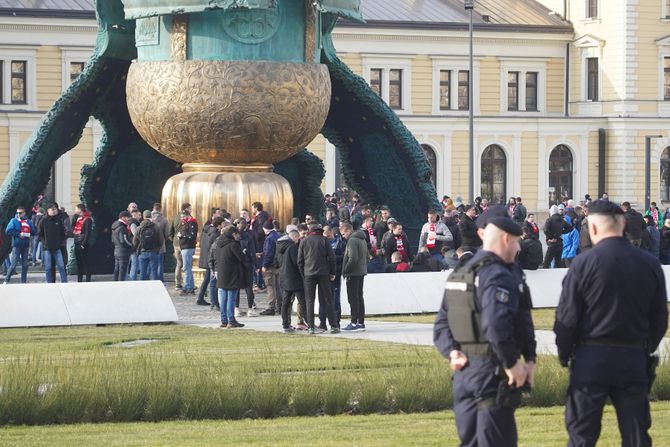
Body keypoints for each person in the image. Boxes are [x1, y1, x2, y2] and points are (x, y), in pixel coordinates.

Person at [554, 200, 668, 447]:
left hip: (590, 357)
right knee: (636, 434)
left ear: (592, 229)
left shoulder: (583, 264)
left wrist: (566, 355)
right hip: (633, 357)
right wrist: (645, 347)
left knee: (582, 435)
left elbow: (566, 318)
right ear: (624, 224)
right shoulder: (649, 264)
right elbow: (660, 318)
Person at [434, 205, 536, 447]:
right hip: (492, 371)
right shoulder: (498, 274)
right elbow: (496, 325)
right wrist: (513, 363)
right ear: (505, 239)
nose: (519, 248)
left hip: (464, 374)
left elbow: (441, 325)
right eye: (516, 242)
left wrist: (452, 351)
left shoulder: (462, 273)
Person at [298, 223, 338, 334]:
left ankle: (311, 327)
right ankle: (333, 325)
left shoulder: (304, 241)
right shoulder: (324, 240)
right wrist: (332, 272)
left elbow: (299, 261)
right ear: (320, 231)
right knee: (327, 299)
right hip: (324, 273)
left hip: (309, 274)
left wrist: (304, 273)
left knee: (309, 301)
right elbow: (332, 257)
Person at [211, 225, 248, 329]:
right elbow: (241, 258)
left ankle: (224, 320)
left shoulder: (218, 244)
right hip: (232, 274)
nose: (238, 237)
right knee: (231, 299)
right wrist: (243, 253)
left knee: (222, 299)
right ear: (233, 234)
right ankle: (231, 320)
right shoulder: (233, 245)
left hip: (221, 273)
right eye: (237, 234)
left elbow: (214, 258)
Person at [276, 229, 307, 332]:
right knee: (303, 301)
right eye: (298, 238)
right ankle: (309, 323)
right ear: (295, 237)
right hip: (295, 278)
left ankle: (285, 324)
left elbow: (276, 262)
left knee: (285, 302)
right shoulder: (293, 247)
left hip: (284, 277)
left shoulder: (279, 246)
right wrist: (303, 274)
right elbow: (297, 263)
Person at [341, 223, 368, 332]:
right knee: (359, 297)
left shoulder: (352, 240)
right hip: (361, 271)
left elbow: (353, 258)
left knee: (352, 298)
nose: (343, 236)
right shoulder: (362, 239)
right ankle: (360, 322)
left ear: (348, 231)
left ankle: (353, 322)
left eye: (343, 234)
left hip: (353, 273)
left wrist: (346, 270)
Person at [3, 207, 35, 284]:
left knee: (25, 265)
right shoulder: (14, 221)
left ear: (24, 213)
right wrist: (18, 234)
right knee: (13, 264)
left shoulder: (28, 222)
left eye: (20, 213)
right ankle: (6, 280)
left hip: (25, 245)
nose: (18, 214)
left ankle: (23, 281)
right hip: (16, 245)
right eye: (17, 213)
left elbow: (34, 232)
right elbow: (8, 231)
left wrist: (28, 232)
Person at [39, 204, 68, 283]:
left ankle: (64, 282)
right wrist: (45, 243)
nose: (54, 210)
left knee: (61, 266)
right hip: (47, 248)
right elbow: (40, 234)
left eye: (55, 209)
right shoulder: (43, 220)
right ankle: (49, 283)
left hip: (57, 248)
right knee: (48, 267)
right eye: (52, 209)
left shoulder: (58, 220)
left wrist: (59, 242)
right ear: (48, 211)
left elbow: (63, 233)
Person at [196, 214, 220, 306]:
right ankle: (214, 302)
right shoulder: (214, 232)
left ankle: (201, 297)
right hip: (211, 259)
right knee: (212, 280)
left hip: (206, 257)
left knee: (207, 279)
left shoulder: (206, 230)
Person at [133, 210, 164, 281]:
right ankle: (154, 289)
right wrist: (157, 249)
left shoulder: (139, 228)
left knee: (142, 273)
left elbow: (135, 241)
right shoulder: (156, 227)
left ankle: (143, 289)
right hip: (153, 252)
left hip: (142, 252)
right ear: (151, 216)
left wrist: (137, 249)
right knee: (154, 273)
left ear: (143, 217)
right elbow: (161, 240)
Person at [235, 218, 257, 316]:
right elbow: (252, 252)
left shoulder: (234, 237)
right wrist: (254, 263)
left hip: (237, 264)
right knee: (249, 287)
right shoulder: (249, 236)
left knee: (237, 288)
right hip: (247, 264)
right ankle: (250, 309)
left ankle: (236, 308)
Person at [260, 220, 281, 316]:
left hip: (270, 266)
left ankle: (271, 307)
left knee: (270, 287)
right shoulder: (277, 235)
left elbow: (269, 253)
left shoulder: (269, 239)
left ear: (266, 229)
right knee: (277, 286)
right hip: (277, 265)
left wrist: (264, 265)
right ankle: (279, 306)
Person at [176, 203, 198, 295]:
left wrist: (182, 235)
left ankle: (186, 287)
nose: (182, 217)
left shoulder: (191, 222)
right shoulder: (185, 223)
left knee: (186, 268)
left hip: (188, 247)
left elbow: (192, 236)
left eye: (183, 216)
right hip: (185, 247)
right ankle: (191, 287)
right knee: (187, 267)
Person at [72, 204, 93, 282]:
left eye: (76, 209)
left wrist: (83, 244)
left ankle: (88, 280)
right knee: (79, 263)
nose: (75, 210)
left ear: (80, 209)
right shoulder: (78, 218)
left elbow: (87, 232)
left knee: (86, 263)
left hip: (83, 244)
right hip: (77, 242)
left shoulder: (88, 219)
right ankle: (79, 280)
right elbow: (74, 228)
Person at [111, 211, 133, 281]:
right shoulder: (122, 228)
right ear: (123, 218)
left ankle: (115, 285)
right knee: (122, 271)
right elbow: (123, 241)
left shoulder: (114, 226)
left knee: (117, 270)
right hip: (123, 252)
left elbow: (112, 239)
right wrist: (132, 246)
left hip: (117, 250)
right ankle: (121, 286)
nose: (129, 220)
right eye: (128, 218)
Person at [151, 203, 170, 282]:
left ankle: (152, 280)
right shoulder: (164, 220)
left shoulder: (149, 218)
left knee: (151, 264)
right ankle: (160, 281)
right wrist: (163, 240)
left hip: (150, 245)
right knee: (159, 264)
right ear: (160, 209)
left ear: (153, 208)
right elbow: (167, 234)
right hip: (161, 245)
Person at [127, 209, 142, 281]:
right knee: (134, 264)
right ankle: (133, 280)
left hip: (131, 246)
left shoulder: (131, 222)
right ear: (134, 215)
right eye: (139, 215)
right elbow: (136, 234)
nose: (140, 216)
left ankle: (132, 279)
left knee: (134, 264)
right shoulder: (133, 223)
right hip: (134, 246)